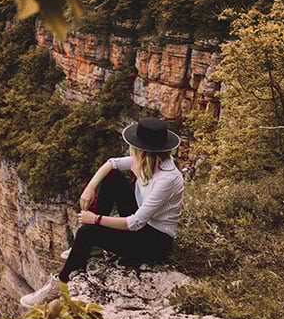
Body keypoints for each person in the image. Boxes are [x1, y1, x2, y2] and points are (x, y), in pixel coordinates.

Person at [20, 117, 183, 308]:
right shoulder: (148, 162)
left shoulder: (168, 179)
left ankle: (59, 284)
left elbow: (135, 223)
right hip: (142, 220)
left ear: (143, 151)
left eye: (134, 147)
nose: (132, 150)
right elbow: (111, 164)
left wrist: (95, 219)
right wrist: (90, 188)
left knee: (88, 232)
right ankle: (94, 247)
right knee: (112, 177)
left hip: (154, 241)